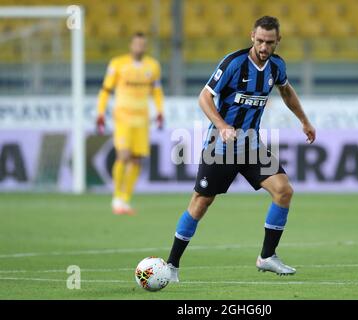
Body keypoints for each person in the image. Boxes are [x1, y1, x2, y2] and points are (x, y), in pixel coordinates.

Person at [166, 16, 316, 281]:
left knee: (283, 191)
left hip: (252, 146)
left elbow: (286, 91)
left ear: (277, 41)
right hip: (220, 146)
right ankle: (172, 264)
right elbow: (204, 97)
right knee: (201, 203)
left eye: (269, 42)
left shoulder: (277, 66)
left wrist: (304, 120)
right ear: (252, 37)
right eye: (259, 40)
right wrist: (223, 126)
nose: (263, 47)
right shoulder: (234, 63)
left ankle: (267, 257)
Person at [96, 32, 164, 215]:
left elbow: (156, 91)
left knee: (136, 159)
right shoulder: (117, 64)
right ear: (131, 45)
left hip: (142, 119)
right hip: (123, 117)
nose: (139, 47)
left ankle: (125, 199)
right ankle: (116, 197)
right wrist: (100, 112)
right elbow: (105, 90)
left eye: (143, 44)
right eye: (137, 44)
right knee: (123, 156)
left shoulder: (153, 66)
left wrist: (160, 111)